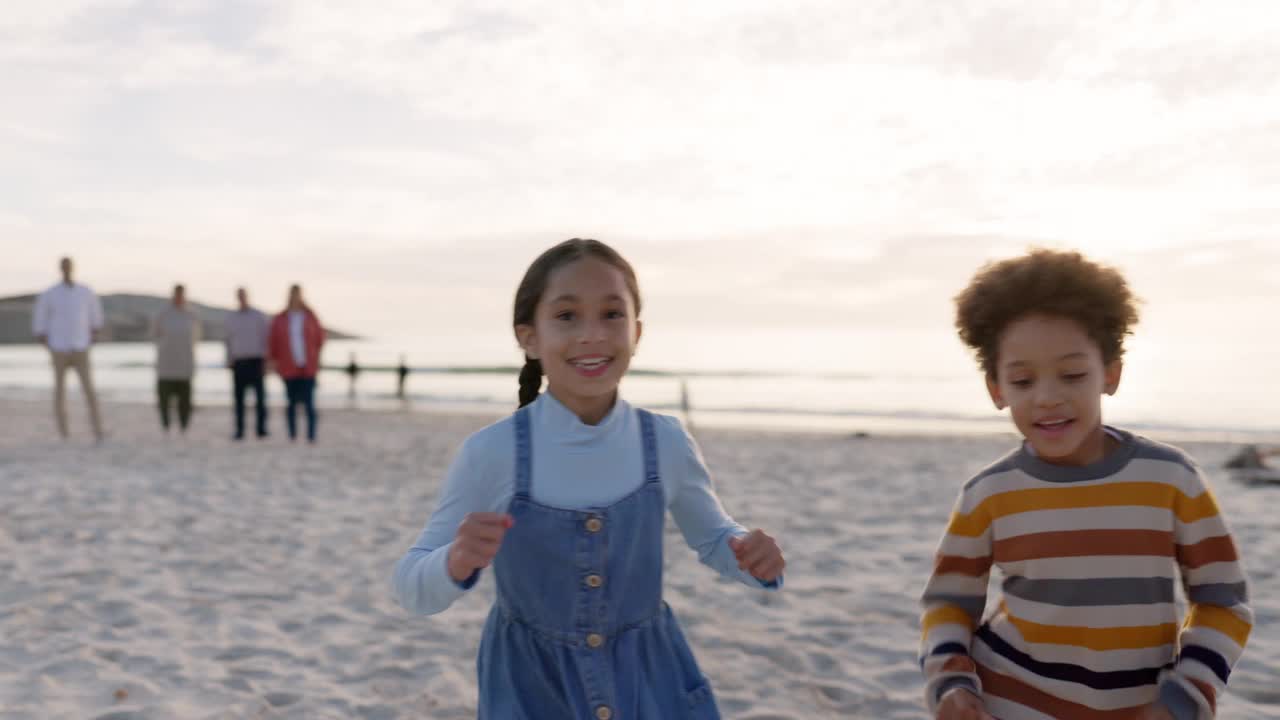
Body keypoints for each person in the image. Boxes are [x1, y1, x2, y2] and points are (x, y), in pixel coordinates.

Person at [393, 239, 785, 719]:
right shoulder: (490, 452)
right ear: (528, 337)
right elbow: (411, 588)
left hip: (651, 682)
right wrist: (454, 562)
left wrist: (749, 554)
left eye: (612, 314)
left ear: (637, 332)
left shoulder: (664, 440)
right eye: (566, 316)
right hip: (532, 689)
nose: (592, 335)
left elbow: (715, 538)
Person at [920, 249, 1252, 720]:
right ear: (997, 389)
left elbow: (1224, 602)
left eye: (1073, 374)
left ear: (1110, 373)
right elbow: (949, 603)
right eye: (1022, 380)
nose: (1048, 398)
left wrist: (1186, 694)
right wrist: (951, 683)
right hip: (1010, 701)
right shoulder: (987, 494)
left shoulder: (1171, 479)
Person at [31, 256, 106, 442]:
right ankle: (63, 433)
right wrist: (49, 345)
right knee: (59, 392)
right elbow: (39, 323)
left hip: (81, 347)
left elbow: (96, 319)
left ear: (73, 268)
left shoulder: (85, 291)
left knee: (89, 391)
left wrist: (92, 339)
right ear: (60, 268)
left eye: (69, 266)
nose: (66, 269)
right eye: (64, 266)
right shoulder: (50, 294)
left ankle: (98, 430)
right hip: (59, 348)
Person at [268, 284, 325, 443]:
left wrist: (317, 358)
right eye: (293, 294)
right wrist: (273, 362)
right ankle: (292, 435)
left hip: (308, 366)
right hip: (288, 366)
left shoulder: (310, 316)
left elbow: (320, 338)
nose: (295, 297)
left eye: (298, 294)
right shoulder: (280, 318)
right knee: (291, 402)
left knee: (309, 403)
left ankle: (311, 435)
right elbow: (273, 342)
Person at [153, 284, 201, 434]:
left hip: (185, 364)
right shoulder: (163, 314)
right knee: (164, 399)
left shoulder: (192, 315)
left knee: (185, 401)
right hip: (166, 365)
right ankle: (166, 426)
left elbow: (197, 338)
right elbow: (155, 334)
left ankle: (184, 426)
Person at [225, 287, 270, 440]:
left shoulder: (258, 316)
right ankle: (239, 430)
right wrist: (229, 358)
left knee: (261, 398)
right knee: (238, 400)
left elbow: (266, 339)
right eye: (239, 296)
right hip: (238, 362)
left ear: (247, 296)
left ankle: (261, 429)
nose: (241, 298)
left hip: (256, 361)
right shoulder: (231, 317)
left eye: (243, 295)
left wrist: (267, 361)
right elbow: (228, 340)